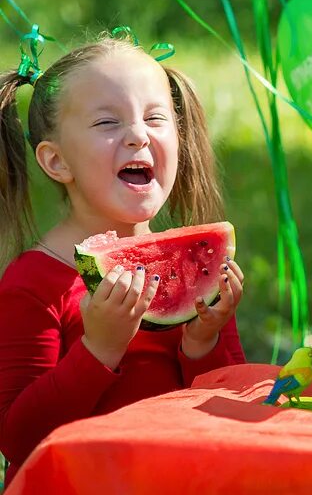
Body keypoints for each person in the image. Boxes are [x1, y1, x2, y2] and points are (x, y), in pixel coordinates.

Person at [0, 34, 246, 483]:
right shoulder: (33, 283)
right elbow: (19, 439)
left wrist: (202, 343)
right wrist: (100, 349)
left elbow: (229, 408)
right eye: (107, 123)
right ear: (56, 162)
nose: (138, 135)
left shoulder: (195, 271)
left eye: (155, 118)